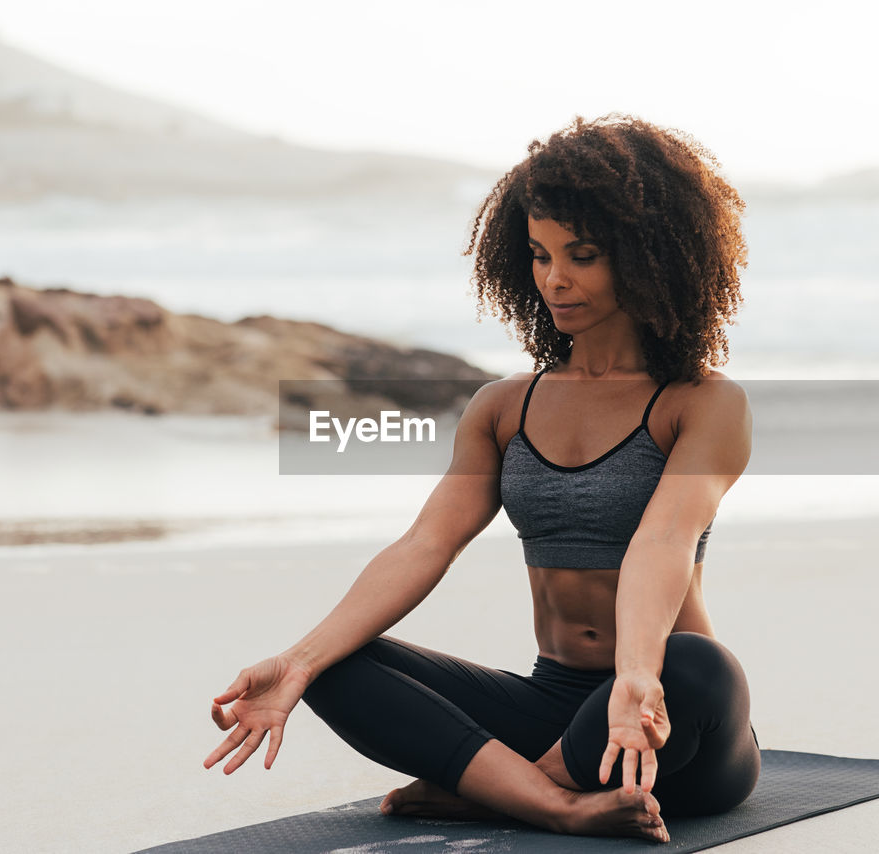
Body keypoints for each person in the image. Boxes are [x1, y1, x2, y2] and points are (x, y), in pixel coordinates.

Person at [203, 113, 757, 844]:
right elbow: (425, 543)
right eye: (538, 254)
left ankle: (497, 789)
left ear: (647, 256)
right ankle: (551, 799)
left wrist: (632, 676)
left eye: (582, 255)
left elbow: (664, 541)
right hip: (550, 701)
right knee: (337, 664)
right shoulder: (504, 407)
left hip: (666, 717)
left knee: (699, 664)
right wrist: (299, 661)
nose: (555, 278)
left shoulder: (703, 403)